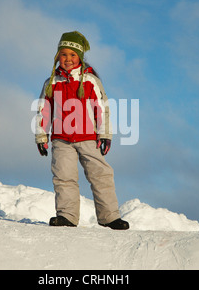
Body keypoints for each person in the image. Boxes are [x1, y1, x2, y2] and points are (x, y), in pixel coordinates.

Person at [35, 31, 129, 230]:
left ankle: (109, 217)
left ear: (80, 57)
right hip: (61, 139)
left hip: (89, 137)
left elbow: (102, 107)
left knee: (100, 175)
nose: (68, 59)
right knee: (64, 176)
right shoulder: (52, 82)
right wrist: (41, 136)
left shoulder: (90, 80)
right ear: (57, 56)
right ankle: (67, 216)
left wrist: (104, 135)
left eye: (73, 55)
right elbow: (43, 110)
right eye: (64, 54)